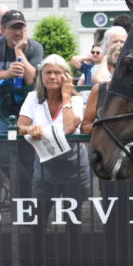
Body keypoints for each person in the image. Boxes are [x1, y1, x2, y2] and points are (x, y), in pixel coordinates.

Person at [0, 9, 43, 196]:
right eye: (13, 28)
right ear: (3, 29)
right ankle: (28, 189)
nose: (18, 32)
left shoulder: (34, 47)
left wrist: (19, 51)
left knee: (27, 158)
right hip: (3, 111)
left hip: (30, 112)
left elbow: (32, 79)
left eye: (21, 27)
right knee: (1, 153)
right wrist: (7, 74)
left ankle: (27, 203)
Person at [17, 54, 90, 205]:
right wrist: (31, 129)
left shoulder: (75, 100)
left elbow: (69, 128)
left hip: (74, 167)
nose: (52, 76)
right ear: (41, 76)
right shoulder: (32, 97)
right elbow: (20, 127)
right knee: (40, 216)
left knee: (73, 219)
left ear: (66, 76)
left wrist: (66, 97)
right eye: (48, 72)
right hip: (45, 168)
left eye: (57, 73)